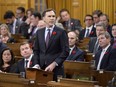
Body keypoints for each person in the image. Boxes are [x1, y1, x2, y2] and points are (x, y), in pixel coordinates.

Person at [33, 8, 69, 81]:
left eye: (53, 16)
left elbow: (65, 51)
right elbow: (36, 50)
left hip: (56, 70)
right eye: (49, 16)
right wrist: (36, 64)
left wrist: (54, 63)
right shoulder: (39, 32)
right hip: (41, 69)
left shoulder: (61, 32)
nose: (52, 18)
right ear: (44, 18)